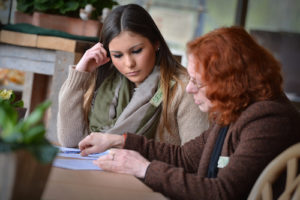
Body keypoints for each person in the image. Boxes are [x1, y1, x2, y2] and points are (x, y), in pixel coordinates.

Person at [78, 26, 300, 200]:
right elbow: (185, 158)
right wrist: (119, 141)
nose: (190, 88)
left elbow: (222, 193)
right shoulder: (235, 109)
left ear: (231, 83)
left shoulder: (269, 120)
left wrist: (144, 169)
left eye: (198, 82)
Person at [57, 4, 209, 148]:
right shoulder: (105, 82)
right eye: (118, 55)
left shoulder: (185, 89)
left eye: (136, 51)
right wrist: (80, 74)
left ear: (156, 43)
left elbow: (195, 159)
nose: (129, 63)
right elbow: (71, 141)